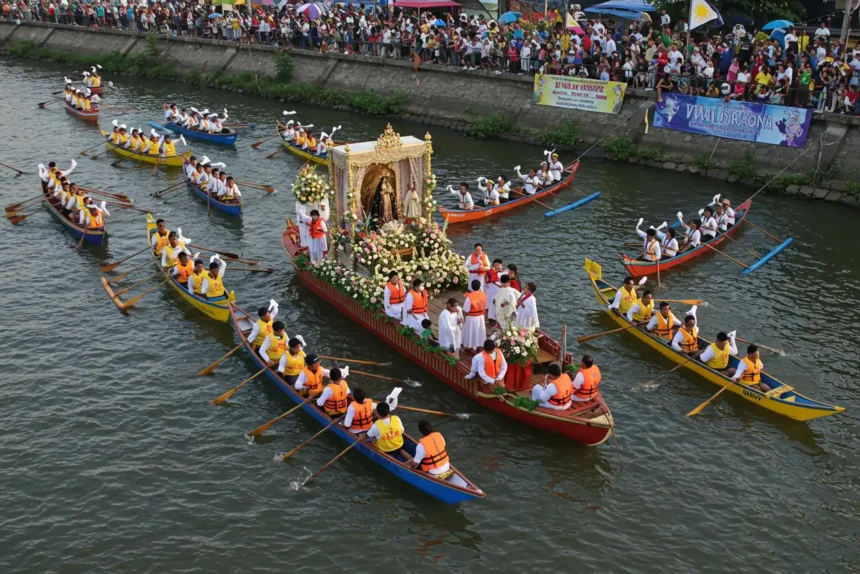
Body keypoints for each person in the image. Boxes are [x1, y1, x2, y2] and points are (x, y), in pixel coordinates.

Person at [462, 280, 487, 352]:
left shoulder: (469, 297)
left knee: (471, 332)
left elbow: (465, 309)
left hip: (471, 317)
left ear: (472, 287)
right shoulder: (483, 295)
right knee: (479, 331)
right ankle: (479, 344)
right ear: (479, 286)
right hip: (481, 317)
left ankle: (469, 345)